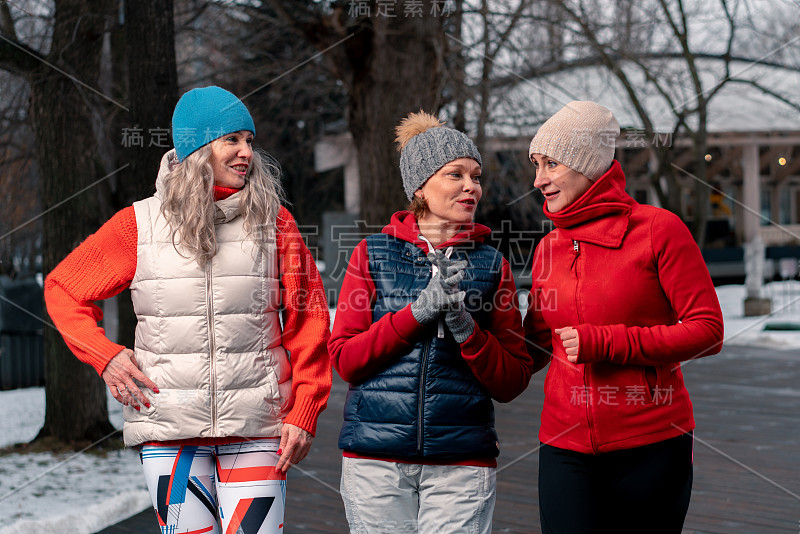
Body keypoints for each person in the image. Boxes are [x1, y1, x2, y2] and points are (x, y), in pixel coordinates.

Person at [44, 86, 331, 533]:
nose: (246, 153)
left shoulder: (275, 223)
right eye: (231, 140)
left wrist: (305, 410)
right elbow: (64, 288)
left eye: (249, 141)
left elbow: (308, 318)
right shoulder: (138, 225)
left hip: (256, 427)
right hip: (167, 428)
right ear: (197, 147)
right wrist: (107, 357)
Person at [329, 111, 535, 533]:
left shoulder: (492, 265)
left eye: (476, 176)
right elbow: (346, 360)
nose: (470, 186)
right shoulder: (371, 255)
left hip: (461, 463)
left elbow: (513, 378)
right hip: (375, 461)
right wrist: (417, 314)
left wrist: (464, 327)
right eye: (454, 174)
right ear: (420, 188)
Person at [523, 101, 724, 533]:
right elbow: (532, 347)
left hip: (652, 440)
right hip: (564, 443)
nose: (538, 180)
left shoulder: (658, 230)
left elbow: (708, 331)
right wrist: (467, 329)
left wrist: (608, 342)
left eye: (551, 164)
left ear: (587, 164)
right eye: (537, 165)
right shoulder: (547, 249)